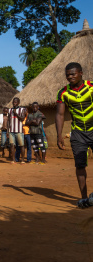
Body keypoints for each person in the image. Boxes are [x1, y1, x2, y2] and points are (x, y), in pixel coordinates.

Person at [56, 62, 93, 208]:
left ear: (81, 73)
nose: (70, 77)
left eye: (73, 74)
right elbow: (59, 114)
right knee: (80, 165)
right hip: (78, 133)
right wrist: (59, 135)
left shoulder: (91, 87)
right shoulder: (63, 92)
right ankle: (85, 199)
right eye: (67, 75)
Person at [8, 97, 27, 164]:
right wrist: (8, 130)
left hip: (19, 130)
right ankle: (13, 159)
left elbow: (22, 118)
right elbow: (9, 120)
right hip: (11, 130)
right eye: (13, 102)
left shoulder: (22, 109)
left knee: (21, 145)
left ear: (19, 103)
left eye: (16, 102)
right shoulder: (10, 110)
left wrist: (15, 113)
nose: (14, 103)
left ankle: (22, 159)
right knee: (12, 145)